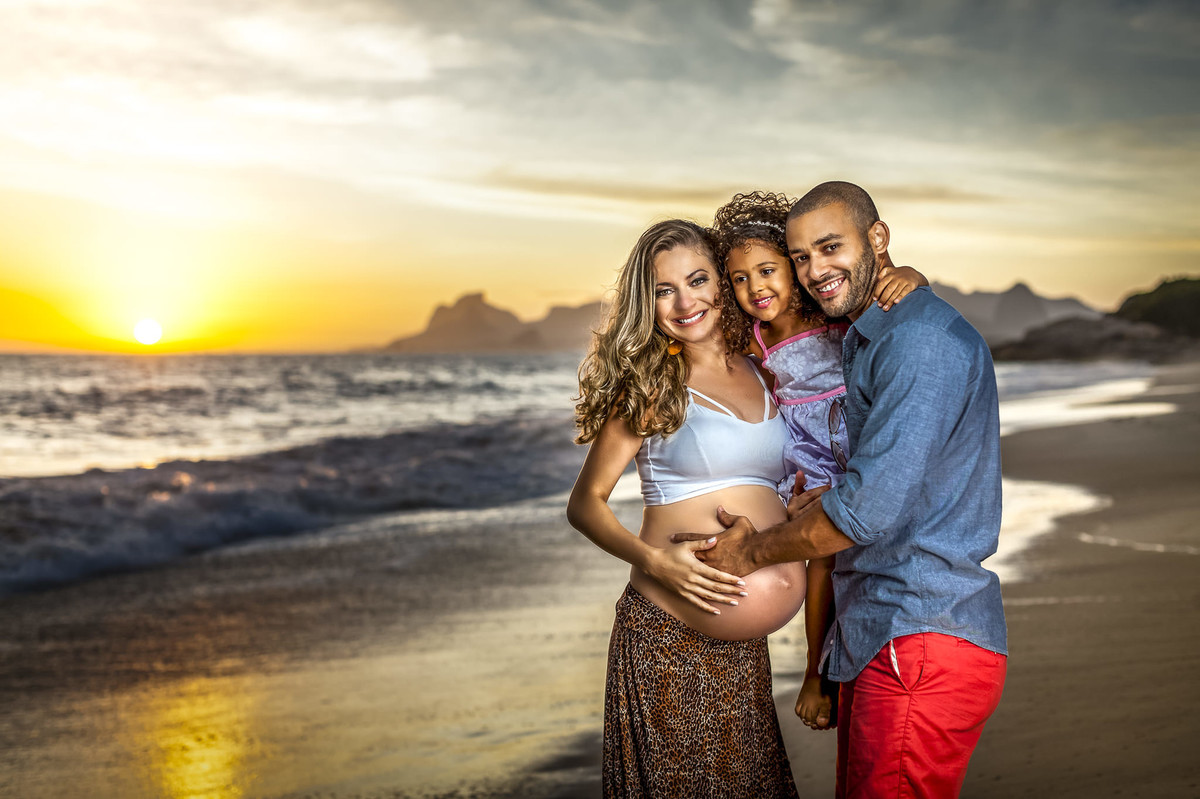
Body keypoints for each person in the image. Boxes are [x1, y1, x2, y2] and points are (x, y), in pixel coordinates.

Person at [675, 182, 1008, 798]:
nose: (814, 270)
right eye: (802, 257)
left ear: (878, 239)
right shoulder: (864, 337)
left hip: (920, 636)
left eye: (830, 248)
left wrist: (750, 552)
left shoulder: (918, 342)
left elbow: (860, 512)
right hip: (880, 633)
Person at [567, 219, 804, 798]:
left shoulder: (766, 367)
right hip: (668, 637)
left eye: (697, 280)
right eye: (663, 290)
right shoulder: (654, 384)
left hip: (743, 651)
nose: (684, 301)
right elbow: (585, 504)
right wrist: (656, 561)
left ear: (722, 283)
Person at [708, 191, 928, 735]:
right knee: (815, 556)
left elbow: (889, 295)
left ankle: (816, 675)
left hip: (849, 439)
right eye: (739, 279)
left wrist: (913, 275)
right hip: (807, 452)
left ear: (792, 268)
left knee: (836, 546)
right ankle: (809, 666)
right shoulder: (753, 336)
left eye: (767, 270)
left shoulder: (822, 312)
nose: (755, 288)